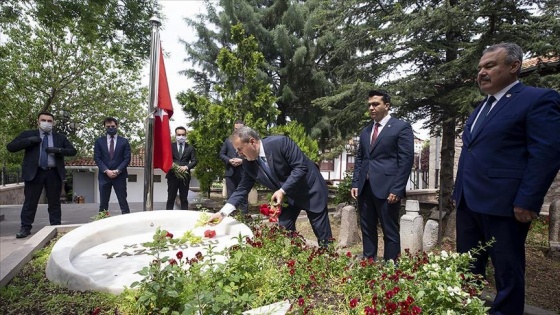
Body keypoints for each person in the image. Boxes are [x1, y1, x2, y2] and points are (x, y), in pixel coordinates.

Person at [453, 42, 560, 315]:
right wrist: (458, 194)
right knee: (467, 269)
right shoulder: (480, 108)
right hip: (468, 202)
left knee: (507, 274)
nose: (482, 73)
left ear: (514, 67)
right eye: (480, 68)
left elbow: (546, 154)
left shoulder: (538, 99)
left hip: (505, 205)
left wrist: (528, 200)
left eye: (490, 66)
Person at [208, 126, 333, 245]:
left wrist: (282, 191)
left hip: (310, 191)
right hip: (289, 197)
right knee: (284, 227)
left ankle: (330, 260)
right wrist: (222, 213)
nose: (238, 154)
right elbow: (242, 189)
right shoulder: (248, 164)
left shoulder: (281, 143)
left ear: (252, 142)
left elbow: (300, 168)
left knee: (322, 235)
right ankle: (295, 256)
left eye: (240, 149)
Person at [351, 90, 414, 261]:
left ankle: (391, 267)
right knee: (367, 228)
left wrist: (398, 188)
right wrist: (356, 183)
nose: (371, 108)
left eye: (375, 104)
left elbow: (406, 161)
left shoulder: (401, 127)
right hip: (365, 188)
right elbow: (360, 159)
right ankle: (369, 263)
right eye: (369, 105)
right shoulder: (365, 131)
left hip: (388, 189)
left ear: (387, 105)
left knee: (390, 230)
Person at [6, 112, 77, 238]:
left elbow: (72, 151)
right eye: (43, 120)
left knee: (54, 203)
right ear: (38, 121)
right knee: (30, 202)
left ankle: (56, 226)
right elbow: (11, 147)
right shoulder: (29, 134)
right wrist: (28, 141)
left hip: (53, 173)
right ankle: (25, 227)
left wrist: (59, 150)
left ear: (53, 123)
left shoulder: (59, 137)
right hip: (35, 173)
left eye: (49, 121)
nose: (46, 123)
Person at [94, 117, 131, 214]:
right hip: (104, 176)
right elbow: (97, 158)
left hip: (120, 176)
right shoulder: (99, 141)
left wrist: (118, 170)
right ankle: (102, 223)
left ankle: (127, 223)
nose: (110, 128)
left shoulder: (124, 141)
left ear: (117, 126)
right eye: (108, 126)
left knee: (123, 202)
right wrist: (106, 170)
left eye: (113, 126)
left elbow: (127, 158)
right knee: (103, 204)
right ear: (104, 127)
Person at [219, 120, 248, 214]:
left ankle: (244, 219)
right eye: (236, 129)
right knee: (231, 197)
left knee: (243, 197)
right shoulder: (228, 141)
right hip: (230, 173)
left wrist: (242, 161)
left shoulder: (247, 141)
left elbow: (253, 156)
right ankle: (231, 217)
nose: (237, 131)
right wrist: (229, 160)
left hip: (243, 172)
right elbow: (222, 154)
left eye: (240, 129)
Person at [166, 126, 197, 210]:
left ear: (185, 135)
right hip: (172, 176)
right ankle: (167, 217)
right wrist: (171, 165)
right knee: (170, 199)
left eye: (183, 135)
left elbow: (194, 161)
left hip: (185, 177)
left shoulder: (190, 147)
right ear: (175, 135)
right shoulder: (170, 146)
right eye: (179, 134)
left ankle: (184, 217)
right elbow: (166, 158)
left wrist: (186, 167)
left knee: (184, 199)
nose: (181, 137)